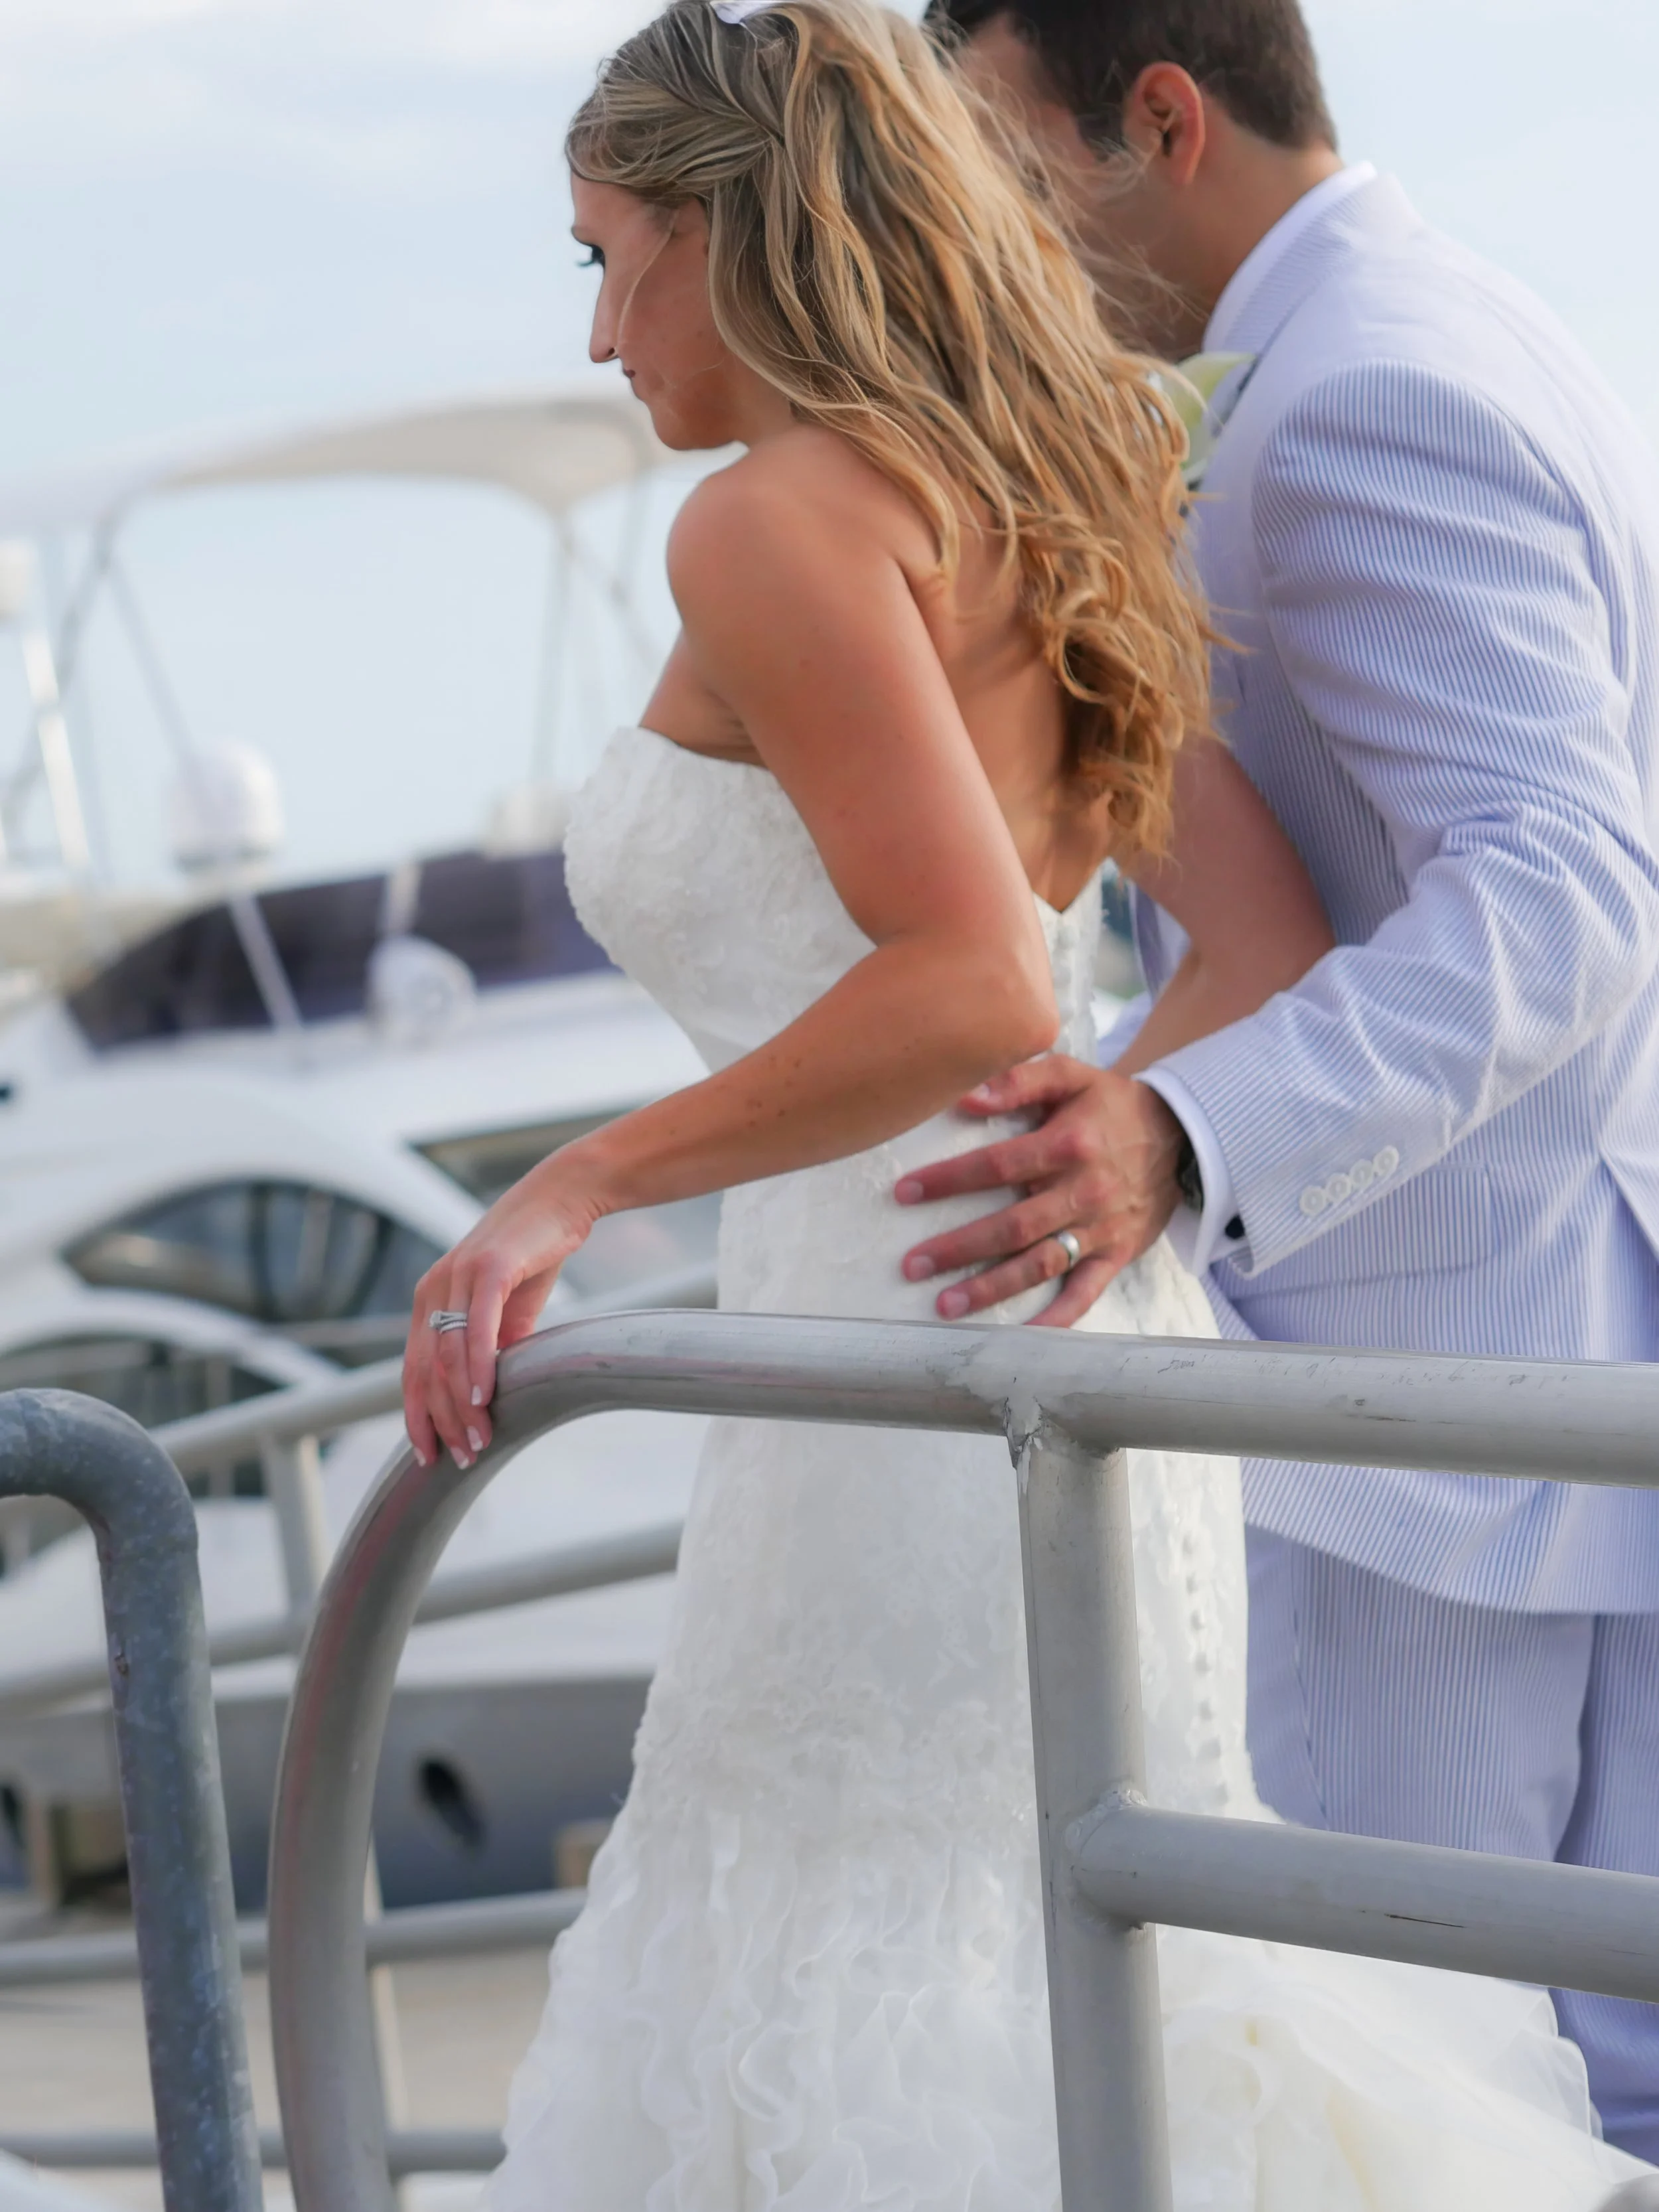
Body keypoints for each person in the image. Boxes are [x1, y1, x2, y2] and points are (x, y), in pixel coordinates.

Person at [403, 3, 1649, 2203]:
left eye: (609, 256)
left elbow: (977, 968)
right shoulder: (1036, 507)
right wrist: (1098, 1153)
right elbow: (1249, 949)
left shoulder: (770, 529)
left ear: (735, 231)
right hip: (1062, 1304)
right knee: (1098, 1957)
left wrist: (574, 1183)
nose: (600, 332)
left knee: (882, 1955)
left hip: (901, 1346)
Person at [904, 0, 1659, 2159]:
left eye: (1002, 151)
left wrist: (1182, 1124)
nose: (989, 220)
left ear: (1158, 121)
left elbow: (1568, 880)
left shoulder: (1350, 397)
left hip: (1436, 1393)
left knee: (1411, 2092)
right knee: (1584, 2091)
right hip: (1545, 1369)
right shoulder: (1475, 321)